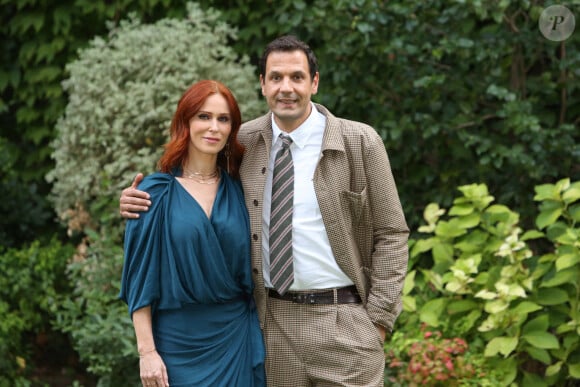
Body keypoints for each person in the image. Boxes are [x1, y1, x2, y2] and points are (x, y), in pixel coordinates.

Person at [120, 35, 409, 387]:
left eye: (297, 77)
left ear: (314, 82)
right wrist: (138, 200)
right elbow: (193, 190)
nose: (286, 87)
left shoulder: (360, 141)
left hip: (343, 323)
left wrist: (377, 322)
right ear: (262, 84)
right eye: (276, 77)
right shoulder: (246, 141)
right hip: (273, 326)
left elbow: (392, 233)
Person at [119, 80, 265, 387]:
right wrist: (147, 352)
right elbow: (139, 280)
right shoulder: (153, 194)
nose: (213, 127)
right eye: (203, 116)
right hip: (176, 345)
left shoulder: (242, 189)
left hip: (234, 339)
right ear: (185, 122)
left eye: (223, 119)